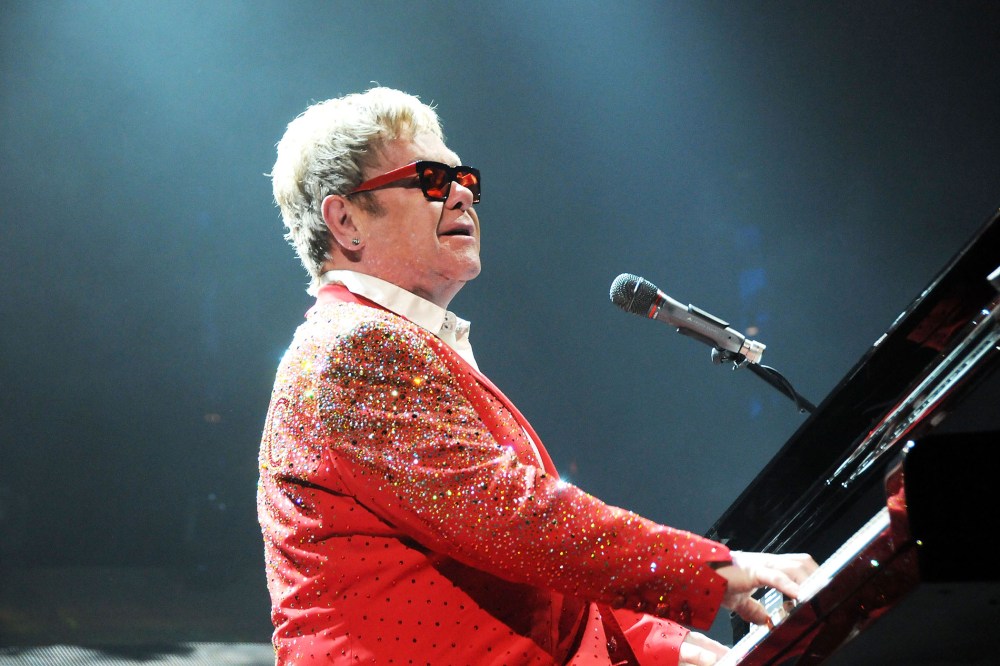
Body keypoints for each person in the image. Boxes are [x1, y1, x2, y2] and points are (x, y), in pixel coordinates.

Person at [257, 86, 817, 666]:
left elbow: (536, 571)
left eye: (465, 180)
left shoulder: (403, 343)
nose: (461, 197)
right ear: (345, 219)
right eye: (429, 178)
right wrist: (713, 571)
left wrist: (675, 648)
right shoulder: (355, 349)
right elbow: (514, 520)